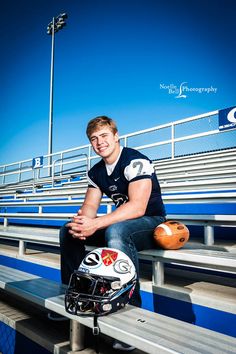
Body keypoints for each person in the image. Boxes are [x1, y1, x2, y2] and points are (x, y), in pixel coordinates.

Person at [59, 116, 166, 351]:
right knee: (68, 231)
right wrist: (82, 222)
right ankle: (77, 295)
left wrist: (96, 224)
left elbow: (138, 207)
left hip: (150, 222)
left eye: (104, 136)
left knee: (116, 232)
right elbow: (89, 207)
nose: (99, 142)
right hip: (125, 222)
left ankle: (129, 308)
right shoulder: (96, 171)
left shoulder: (135, 161)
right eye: (94, 139)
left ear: (116, 136)